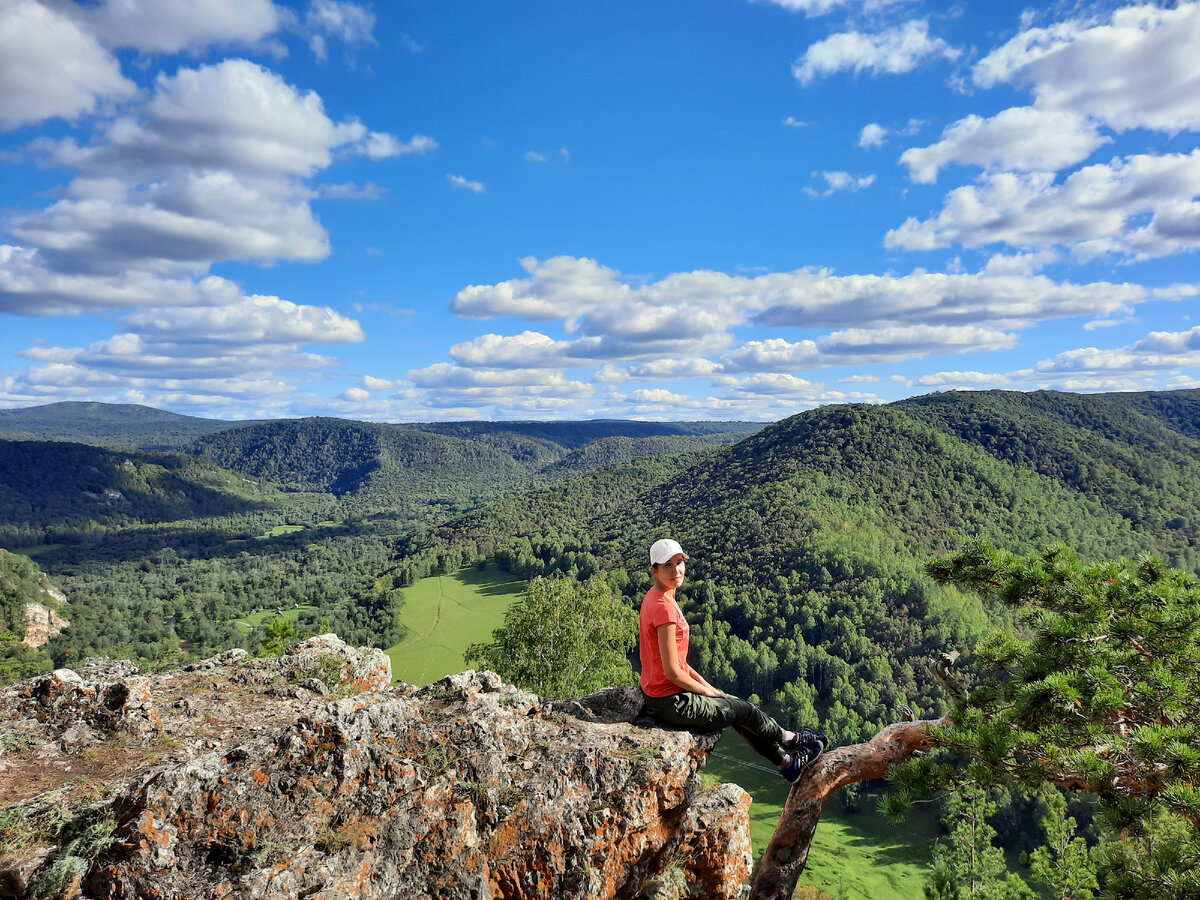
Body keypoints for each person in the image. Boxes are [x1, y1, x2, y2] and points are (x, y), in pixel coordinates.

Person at [638, 538, 828, 782]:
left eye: (679, 563)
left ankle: (788, 764)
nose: (676, 570)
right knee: (743, 710)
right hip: (670, 700)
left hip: (661, 694)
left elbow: (680, 664)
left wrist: (710, 689)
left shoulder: (654, 598)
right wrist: (705, 693)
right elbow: (673, 671)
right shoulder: (664, 607)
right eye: (668, 566)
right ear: (654, 569)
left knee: (734, 706)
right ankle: (790, 740)